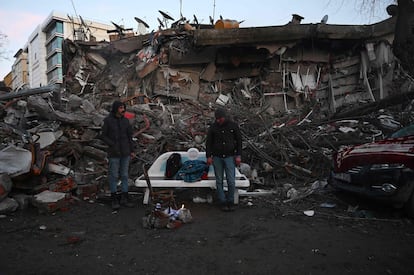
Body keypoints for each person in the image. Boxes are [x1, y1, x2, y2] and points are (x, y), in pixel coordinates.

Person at [205, 107, 242, 212]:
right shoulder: (213, 127)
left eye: (220, 119)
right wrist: (208, 156)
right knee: (219, 181)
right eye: (216, 119)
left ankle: (230, 201)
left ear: (224, 117)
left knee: (231, 181)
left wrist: (238, 155)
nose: (218, 121)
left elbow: (239, 141)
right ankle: (222, 201)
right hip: (217, 157)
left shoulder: (233, 126)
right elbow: (208, 143)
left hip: (230, 157)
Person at [101, 100, 135, 210]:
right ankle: (114, 198)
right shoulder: (108, 121)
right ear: (116, 109)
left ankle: (124, 197)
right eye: (121, 108)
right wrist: (112, 144)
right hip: (114, 153)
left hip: (125, 152)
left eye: (123, 108)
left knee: (125, 175)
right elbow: (103, 136)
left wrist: (132, 150)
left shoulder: (126, 121)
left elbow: (130, 136)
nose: (123, 110)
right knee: (114, 176)